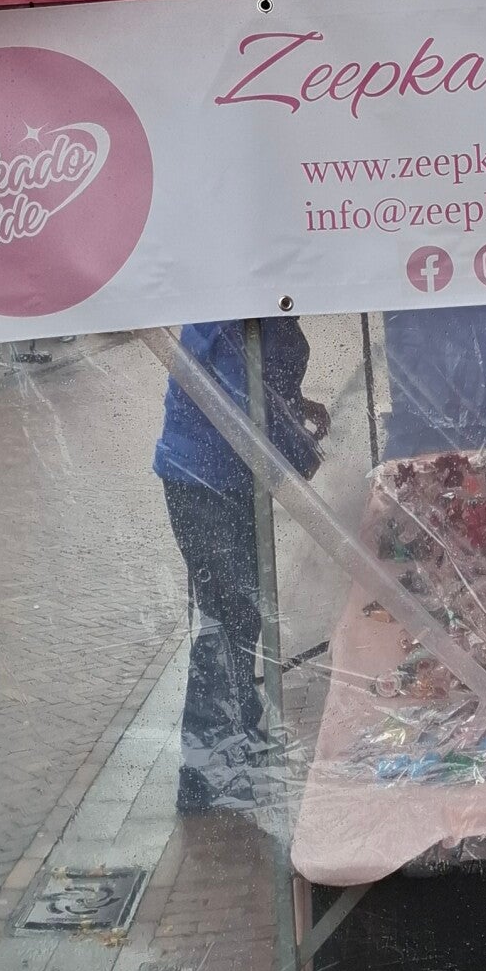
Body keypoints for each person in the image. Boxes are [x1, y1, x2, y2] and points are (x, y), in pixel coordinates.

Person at [155, 321, 329, 814]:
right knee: (226, 618)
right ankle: (204, 773)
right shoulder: (230, 315)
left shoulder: (263, 310)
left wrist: (297, 407)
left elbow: (265, 389)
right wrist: (299, 451)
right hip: (202, 480)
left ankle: (235, 731)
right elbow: (242, 403)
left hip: (229, 478)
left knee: (242, 613)